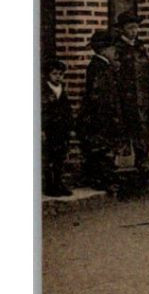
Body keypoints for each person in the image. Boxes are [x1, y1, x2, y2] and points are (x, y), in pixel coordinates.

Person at [112, 12, 149, 171]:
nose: (134, 31)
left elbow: (146, 71)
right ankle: (115, 160)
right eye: (130, 28)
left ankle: (143, 158)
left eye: (136, 28)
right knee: (122, 127)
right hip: (125, 95)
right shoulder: (118, 48)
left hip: (142, 93)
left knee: (143, 127)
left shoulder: (140, 46)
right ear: (122, 29)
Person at [76, 30, 122, 193]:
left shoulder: (104, 66)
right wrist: (109, 116)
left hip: (101, 116)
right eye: (113, 48)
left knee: (102, 149)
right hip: (99, 117)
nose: (116, 51)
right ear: (104, 50)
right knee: (101, 150)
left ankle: (102, 179)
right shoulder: (99, 67)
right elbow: (100, 96)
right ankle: (100, 180)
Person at [42, 58, 73, 197]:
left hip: (61, 129)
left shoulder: (62, 89)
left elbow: (67, 110)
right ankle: (50, 186)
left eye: (60, 74)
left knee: (60, 158)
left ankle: (59, 183)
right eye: (55, 74)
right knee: (49, 158)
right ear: (48, 75)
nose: (58, 77)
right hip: (49, 129)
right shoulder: (43, 91)